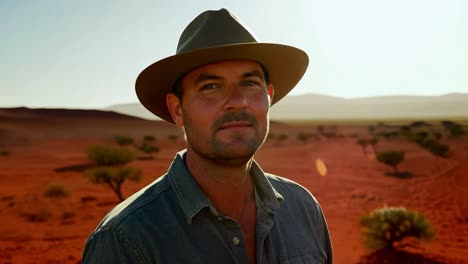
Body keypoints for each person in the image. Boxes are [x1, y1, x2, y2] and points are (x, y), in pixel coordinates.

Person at [82, 8, 332, 264]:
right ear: (177, 110)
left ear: (268, 97)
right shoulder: (125, 240)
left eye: (249, 83)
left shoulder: (303, 209)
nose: (238, 101)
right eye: (210, 86)